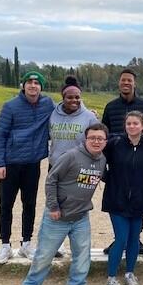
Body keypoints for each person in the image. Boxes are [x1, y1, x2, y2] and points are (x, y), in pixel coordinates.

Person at [15, 123, 108, 285]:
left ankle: (77, 284)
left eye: (100, 138)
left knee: (82, 252)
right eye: (92, 138)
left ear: (105, 141)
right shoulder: (71, 156)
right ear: (85, 139)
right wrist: (54, 206)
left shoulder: (102, 160)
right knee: (45, 254)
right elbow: (51, 180)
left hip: (81, 216)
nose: (96, 142)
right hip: (57, 216)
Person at [0, 70, 54, 264]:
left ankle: (26, 243)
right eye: (29, 82)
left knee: (30, 204)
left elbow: (67, 109)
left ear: (41, 87)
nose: (33, 85)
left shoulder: (47, 104)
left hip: (32, 164)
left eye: (37, 83)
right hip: (11, 163)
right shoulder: (10, 106)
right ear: (23, 85)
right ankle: (5, 245)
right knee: (6, 205)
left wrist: (88, 111)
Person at [101, 68, 143, 255]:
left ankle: (135, 238)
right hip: (118, 160)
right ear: (119, 83)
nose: (126, 83)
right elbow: (104, 135)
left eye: (129, 81)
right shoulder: (111, 107)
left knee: (138, 199)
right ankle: (120, 239)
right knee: (117, 201)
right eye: (123, 80)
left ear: (135, 83)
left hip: (139, 159)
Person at [49, 76, 99, 257]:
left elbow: (96, 138)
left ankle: (77, 246)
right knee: (55, 204)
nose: (74, 100)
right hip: (55, 165)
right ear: (63, 97)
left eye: (77, 97)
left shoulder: (89, 116)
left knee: (76, 206)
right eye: (70, 97)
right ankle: (56, 243)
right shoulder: (52, 113)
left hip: (78, 167)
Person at [102, 111, 143, 285]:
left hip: (139, 200)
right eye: (128, 123)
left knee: (133, 239)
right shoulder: (115, 143)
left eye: (135, 123)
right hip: (117, 198)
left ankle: (130, 273)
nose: (131, 127)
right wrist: (105, 177)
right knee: (121, 238)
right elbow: (98, 156)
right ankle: (111, 277)